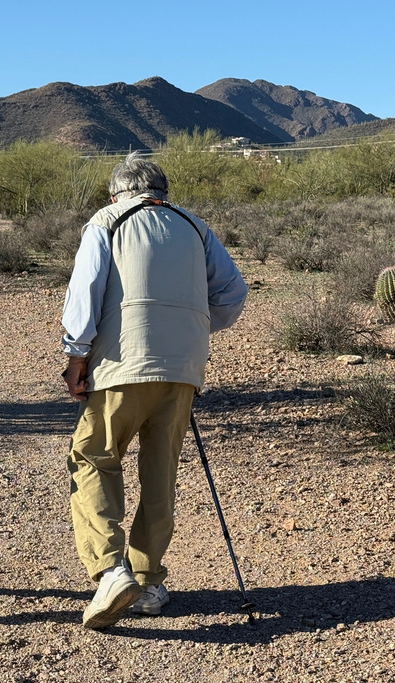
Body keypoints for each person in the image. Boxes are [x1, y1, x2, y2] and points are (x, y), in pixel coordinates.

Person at [61, 152, 248, 630]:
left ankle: (110, 570)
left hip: (122, 363)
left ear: (116, 192)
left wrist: (76, 354)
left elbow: (85, 290)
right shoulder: (194, 225)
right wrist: (195, 329)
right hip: (183, 366)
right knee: (160, 470)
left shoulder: (107, 219)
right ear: (162, 192)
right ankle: (148, 582)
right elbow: (232, 292)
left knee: (94, 457)